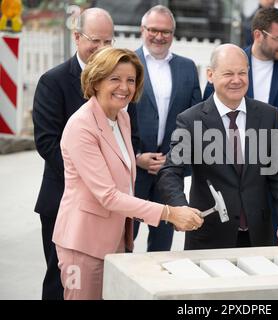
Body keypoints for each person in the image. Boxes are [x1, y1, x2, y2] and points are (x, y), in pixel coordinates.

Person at [52, 47, 203, 300]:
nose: (124, 87)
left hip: (115, 242)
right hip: (83, 245)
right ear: (96, 81)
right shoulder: (81, 127)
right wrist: (168, 213)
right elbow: (108, 196)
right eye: (115, 79)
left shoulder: (121, 118)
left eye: (130, 80)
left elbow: (124, 182)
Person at [157, 44, 278, 250]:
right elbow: (171, 171)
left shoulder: (269, 116)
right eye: (228, 73)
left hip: (260, 237)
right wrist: (181, 208)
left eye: (242, 73)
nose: (236, 80)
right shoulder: (190, 120)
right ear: (210, 75)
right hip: (208, 237)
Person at [32, 8, 132, 300]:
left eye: (108, 42)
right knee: (59, 282)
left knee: (102, 284)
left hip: (111, 207)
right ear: (76, 37)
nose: (101, 49)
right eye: (95, 41)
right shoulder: (53, 81)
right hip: (67, 204)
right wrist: (96, 173)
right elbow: (47, 144)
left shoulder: (120, 84)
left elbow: (129, 136)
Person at [131, 5, 202, 252]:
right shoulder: (127, 63)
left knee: (162, 245)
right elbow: (114, 118)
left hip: (169, 173)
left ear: (173, 33)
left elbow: (195, 120)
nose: (159, 36)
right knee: (124, 240)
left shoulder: (187, 68)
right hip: (132, 170)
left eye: (166, 31)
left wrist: (173, 160)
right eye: (153, 30)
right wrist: (135, 157)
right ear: (143, 30)